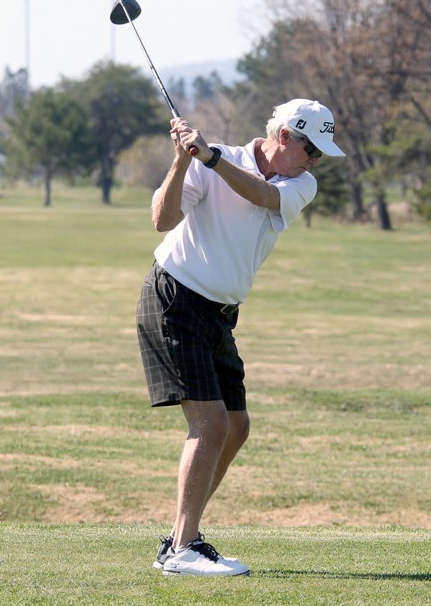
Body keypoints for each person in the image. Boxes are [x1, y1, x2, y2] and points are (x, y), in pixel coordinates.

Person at [136, 98, 345, 577]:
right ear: (285, 136)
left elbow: (261, 196)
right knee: (210, 424)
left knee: (236, 425)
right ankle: (183, 550)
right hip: (176, 297)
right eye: (312, 149)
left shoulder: (299, 184)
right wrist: (181, 161)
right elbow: (163, 220)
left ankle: (180, 538)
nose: (316, 161)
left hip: (220, 313)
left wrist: (211, 158)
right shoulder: (211, 162)